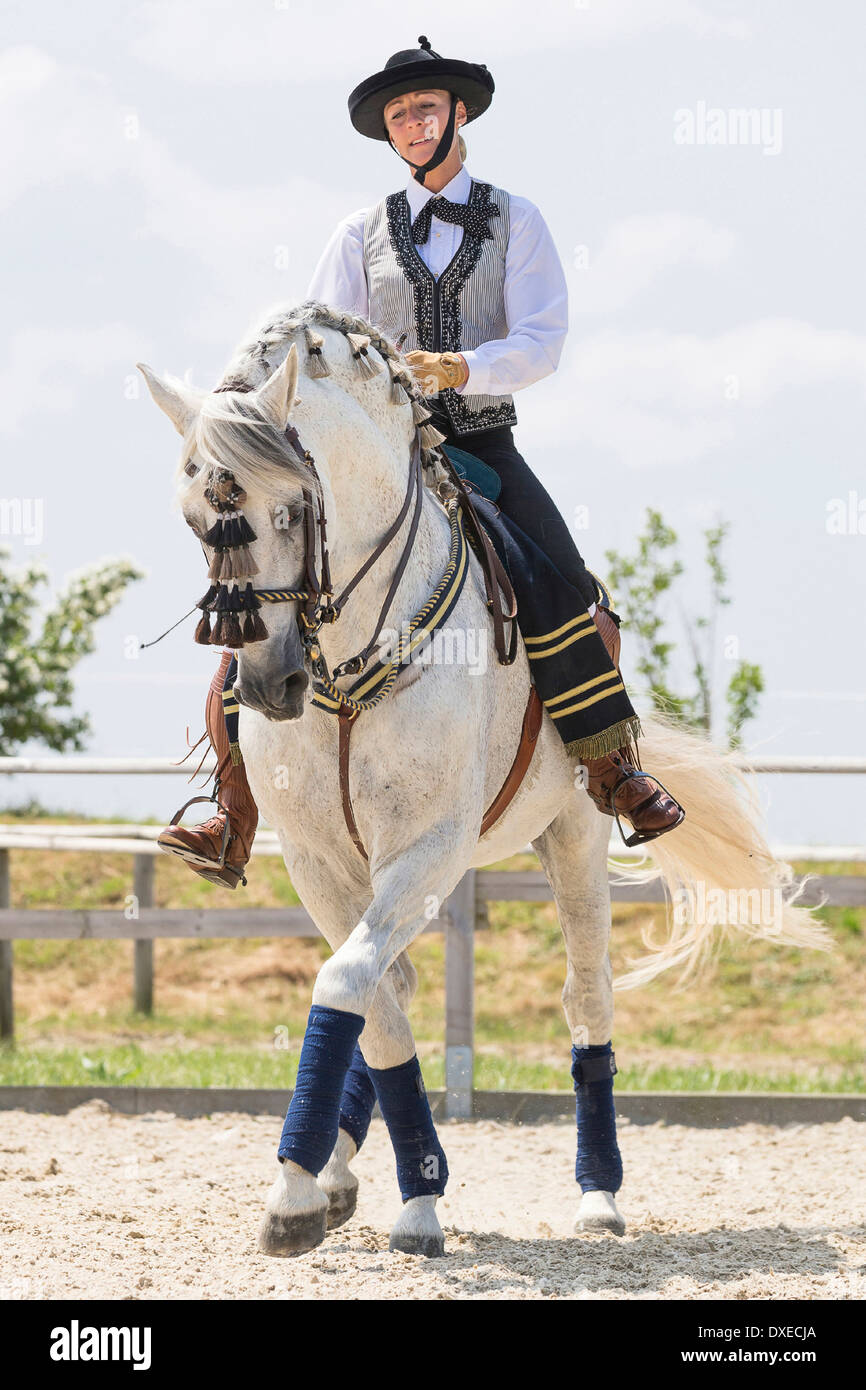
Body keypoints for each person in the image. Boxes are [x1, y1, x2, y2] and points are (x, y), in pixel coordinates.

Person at [158, 36, 684, 888]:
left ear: (457, 115)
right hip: (378, 455)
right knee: (259, 585)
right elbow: (314, 341)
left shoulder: (519, 220)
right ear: (392, 133)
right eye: (400, 114)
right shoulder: (357, 233)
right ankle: (232, 804)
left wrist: (467, 368)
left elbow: (544, 340)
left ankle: (611, 767)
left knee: (559, 578)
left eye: (424, 108)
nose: (411, 122)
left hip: (480, 440)